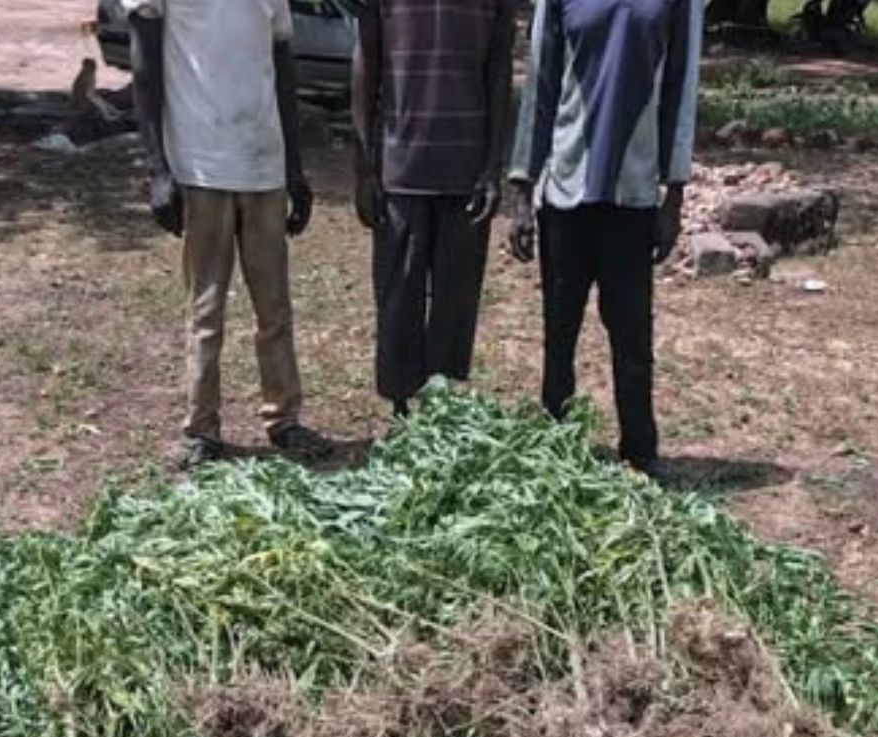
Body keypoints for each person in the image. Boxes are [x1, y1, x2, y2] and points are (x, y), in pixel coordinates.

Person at [124, 0, 331, 467]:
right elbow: (144, 62)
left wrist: (294, 170)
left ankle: (284, 419)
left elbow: (282, 65)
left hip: (264, 163)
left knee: (274, 307)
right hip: (201, 164)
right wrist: (157, 167)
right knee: (206, 309)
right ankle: (201, 428)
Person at [507, 0, 703, 478]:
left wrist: (673, 193)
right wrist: (520, 184)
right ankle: (556, 442)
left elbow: (682, 85)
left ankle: (639, 449)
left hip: (633, 194)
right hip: (566, 187)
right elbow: (542, 80)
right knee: (559, 328)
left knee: (632, 334)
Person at [351, 0, 518, 418]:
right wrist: (364, 169)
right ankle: (402, 409)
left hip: (467, 169)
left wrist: (492, 168)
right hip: (399, 167)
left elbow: (499, 69)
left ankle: (441, 407)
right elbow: (366, 61)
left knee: (455, 300)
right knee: (398, 296)